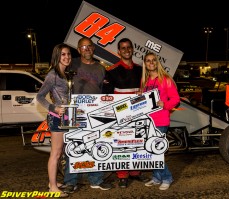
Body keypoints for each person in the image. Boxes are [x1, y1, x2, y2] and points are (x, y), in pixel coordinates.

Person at [62, 37, 113, 194]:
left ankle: (96, 179)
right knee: (73, 147)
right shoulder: (72, 63)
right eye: (83, 47)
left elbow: (102, 89)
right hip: (74, 111)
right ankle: (71, 181)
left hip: (94, 112)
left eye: (89, 46)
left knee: (95, 145)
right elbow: (57, 78)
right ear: (78, 50)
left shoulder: (100, 68)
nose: (87, 49)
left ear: (93, 48)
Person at [103, 38, 149, 188]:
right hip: (120, 115)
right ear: (119, 51)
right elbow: (107, 95)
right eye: (123, 48)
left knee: (137, 142)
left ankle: (135, 172)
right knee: (121, 145)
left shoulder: (140, 69)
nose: (126, 50)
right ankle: (122, 175)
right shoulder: (111, 71)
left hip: (138, 112)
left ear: (132, 49)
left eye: (129, 47)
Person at [140, 52, 180, 190]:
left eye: (153, 60)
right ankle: (157, 177)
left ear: (157, 63)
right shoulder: (145, 81)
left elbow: (175, 99)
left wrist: (165, 104)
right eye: (148, 61)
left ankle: (167, 177)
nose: (151, 63)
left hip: (161, 120)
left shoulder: (166, 79)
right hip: (148, 121)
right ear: (145, 63)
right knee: (151, 151)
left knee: (156, 151)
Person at [36, 43, 72, 198]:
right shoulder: (53, 75)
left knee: (60, 152)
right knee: (56, 153)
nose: (67, 57)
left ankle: (53, 183)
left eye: (69, 54)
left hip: (65, 118)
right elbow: (39, 97)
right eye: (63, 54)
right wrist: (54, 108)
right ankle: (52, 189)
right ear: (57, 56)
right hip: (57, 118)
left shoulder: (65, 74)